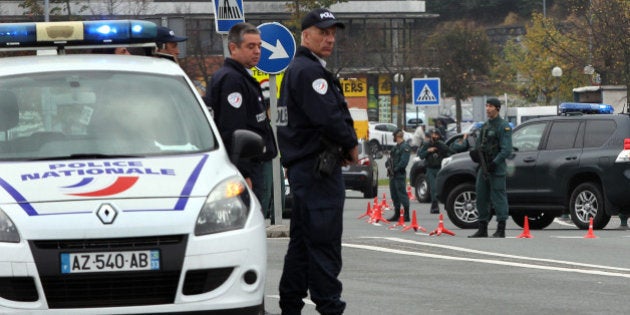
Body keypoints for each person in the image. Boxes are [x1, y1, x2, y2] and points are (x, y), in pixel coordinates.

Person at [276, 8, 358, 315]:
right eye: (323, 32)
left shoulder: (303, 69)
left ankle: (291, 304)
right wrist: (350, 144)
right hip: (316, 170)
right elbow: (328, 117)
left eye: (333, 33)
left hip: (306, 169)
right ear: (305, 34)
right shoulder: (309, 71)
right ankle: (329, 306)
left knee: (302, 244)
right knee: (323, 242)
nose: (330, 38)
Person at [206, 22, 278, 216]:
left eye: (259, 46)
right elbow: (234, 131)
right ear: (233, 48)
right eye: (250, 46)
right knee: (249, 219)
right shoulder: (232, 80)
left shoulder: (241, 77)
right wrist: (244, 174)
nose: (257, 51)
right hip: (250, 168)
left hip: (255, 165)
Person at [469, 97, 513, 238]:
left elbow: (506, 149)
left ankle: (501, 228)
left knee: (498, 197)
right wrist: (475, 154)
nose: (487, 108)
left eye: (491, 106)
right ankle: (482, 227)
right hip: (484, 167)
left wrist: (495, 162)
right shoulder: (485, 126)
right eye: (487, 106)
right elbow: (479, 146)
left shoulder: (503, 126)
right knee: (481, 196)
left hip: (496, 168)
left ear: (497, 108)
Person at [417, 128, 451, 214]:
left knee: (442, 187)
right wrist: (428, 151)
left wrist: (440, 147)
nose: (435, 136)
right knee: (433, 187)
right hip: (430, 168)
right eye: (433, 134)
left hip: (439, 168)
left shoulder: (441, 144)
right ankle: (434, 205)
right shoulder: (426, 144)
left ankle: (447, 204)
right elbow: (421, 155)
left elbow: (448, 151)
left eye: (437, 135)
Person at [387, 129, 412, 221]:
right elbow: (391, 158)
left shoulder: (405, 147)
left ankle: (406, 214)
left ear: (397, 136)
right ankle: (397, 214)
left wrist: (395, 169)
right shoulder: (395, 147)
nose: (393, 138)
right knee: (394, 194)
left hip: (399, 174)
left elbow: (403, 162)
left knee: (402, 194)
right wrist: (388, 164)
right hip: (392, 175)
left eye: (394, 136)